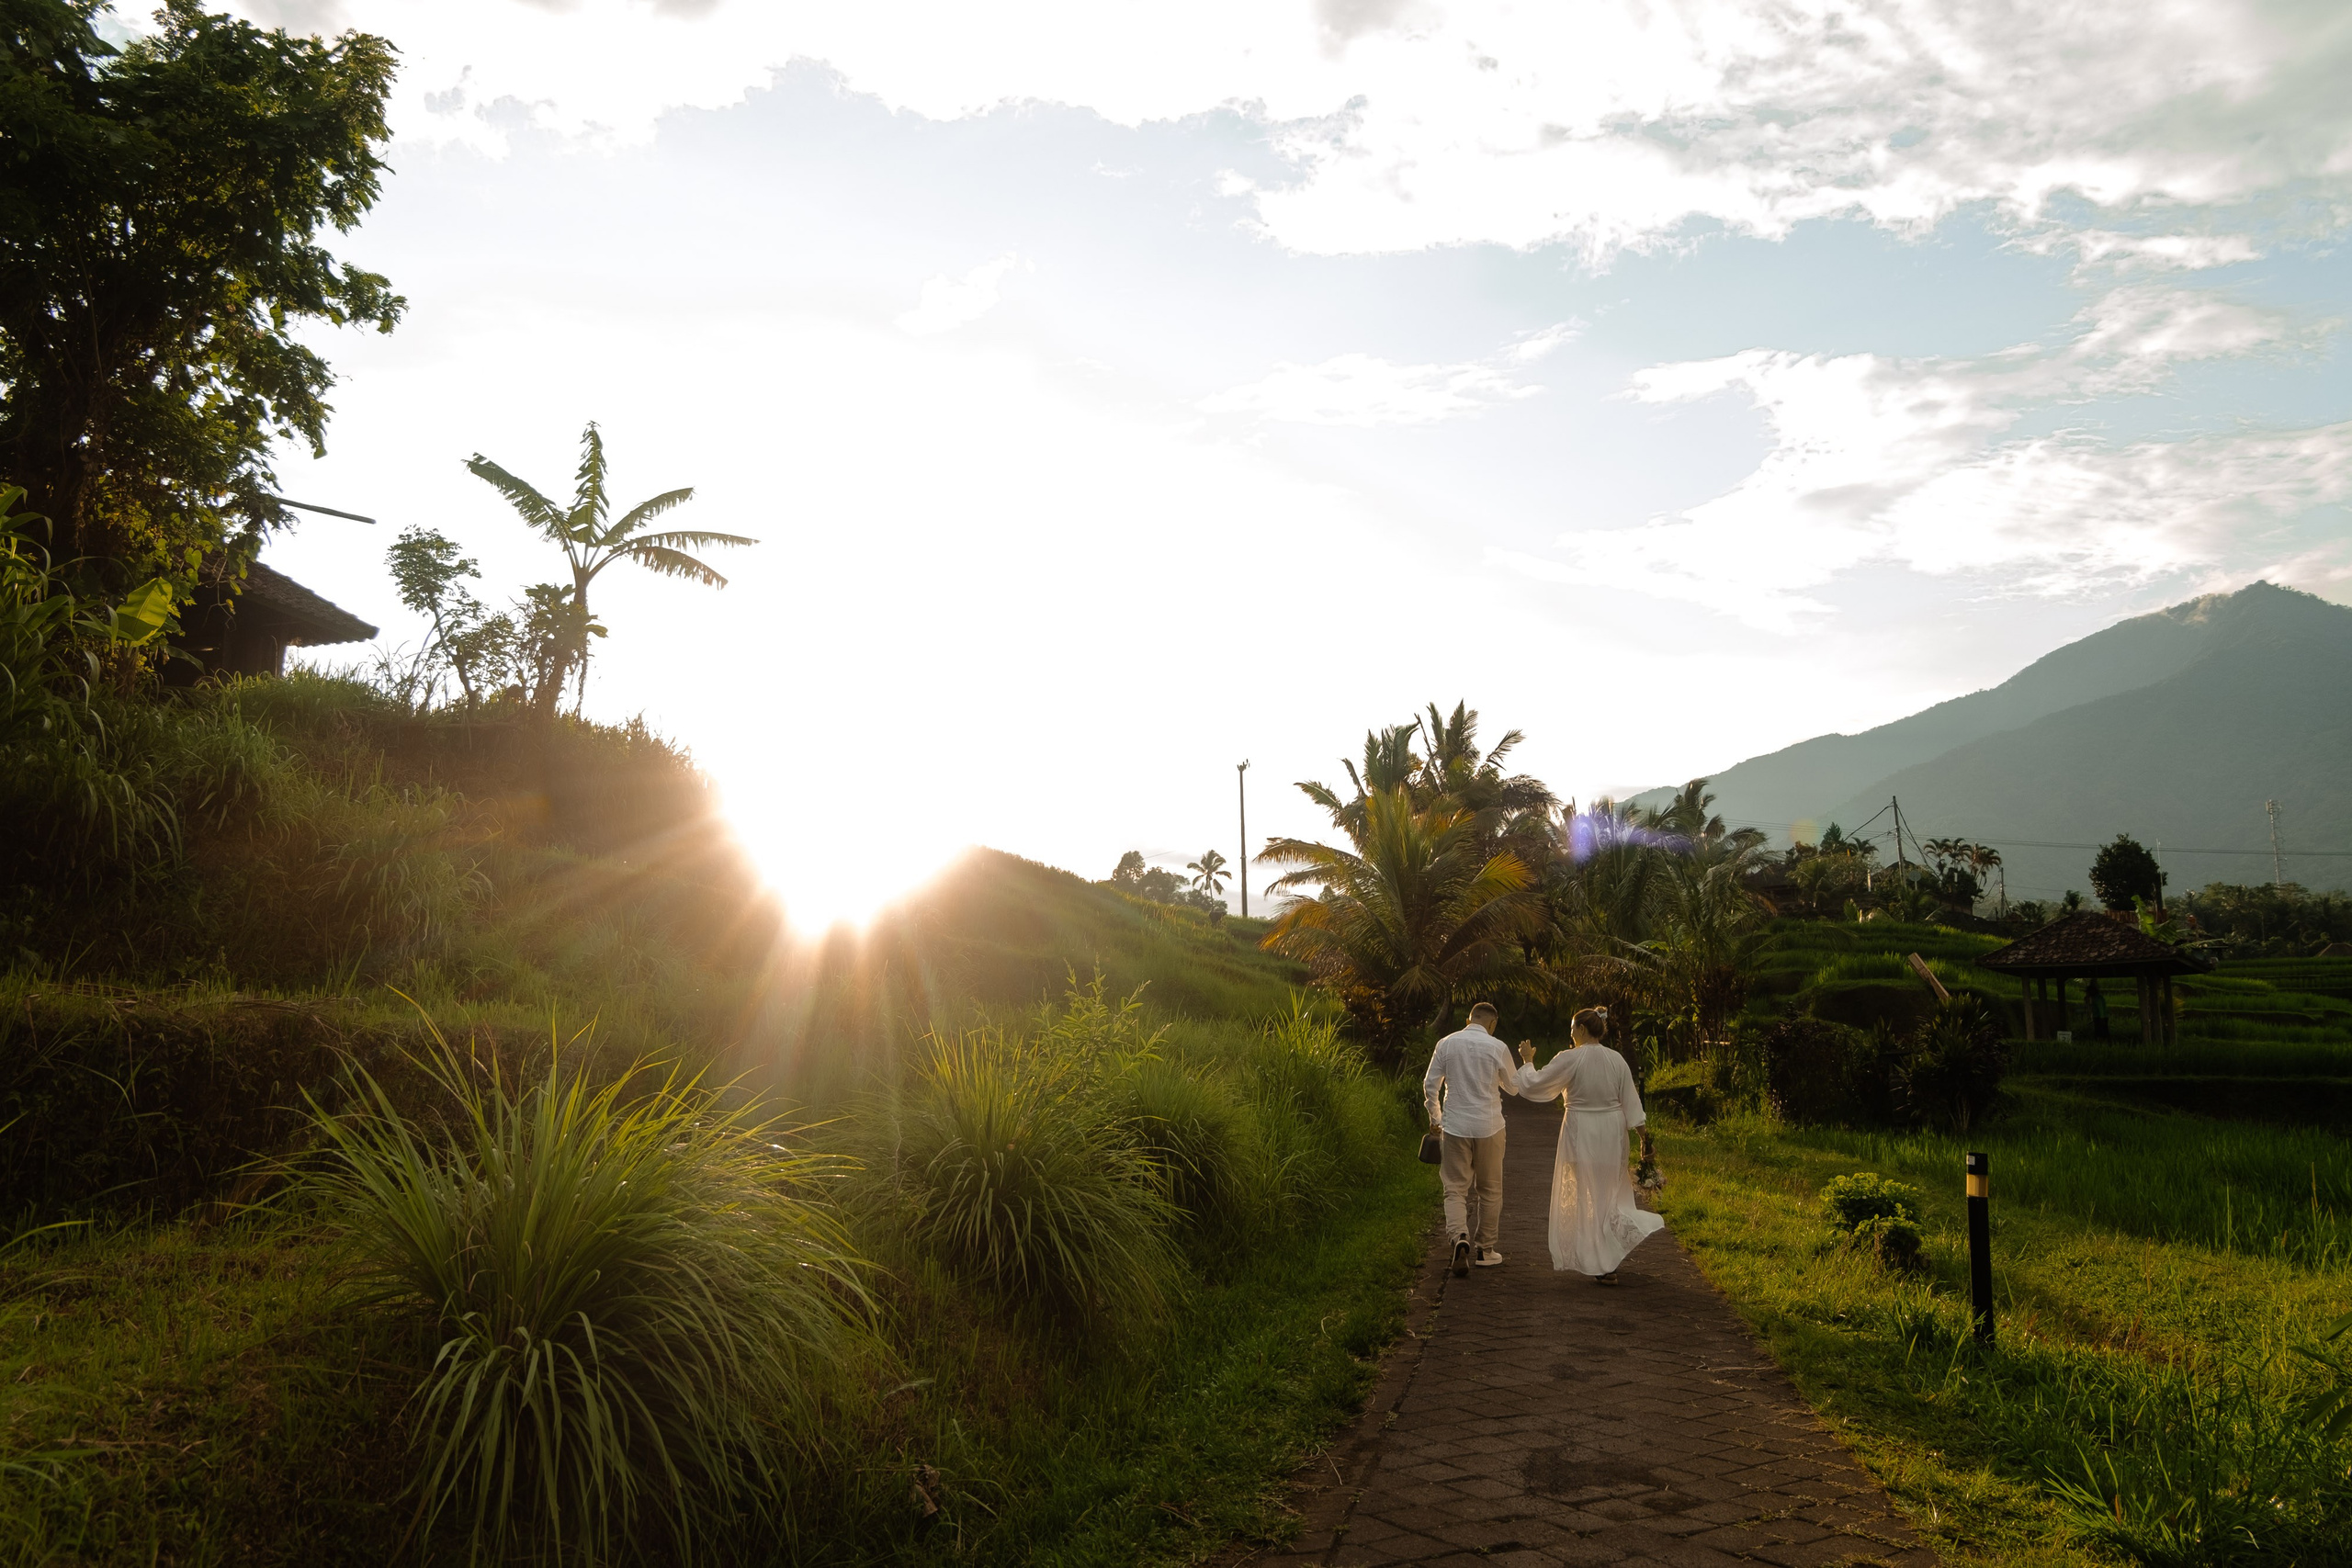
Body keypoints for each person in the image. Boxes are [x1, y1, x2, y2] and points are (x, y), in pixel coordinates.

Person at [1513, 1007, 1662, 1285]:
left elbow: (1536, 1084)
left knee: (1587, 1192)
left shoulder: (1571, 1058)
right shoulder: (1616, 1059)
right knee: (1608, 1192)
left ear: (1582, 1029)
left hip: (1582, 1129)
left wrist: (1527, 1060)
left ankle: (1602, 1260)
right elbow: (1632, 1103)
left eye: (1572, 1028)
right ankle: (1606, 1259)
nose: (1570, 1033)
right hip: (1612, 1130)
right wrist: (1645, 1139)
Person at [1423, 1000, 1518, 1278]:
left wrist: (1435, 1119)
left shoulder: (1446, 1043)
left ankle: (1458, 1237)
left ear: (1469, 1020)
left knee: (1454, 1188)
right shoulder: (1497, 1046)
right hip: (1490, 1126)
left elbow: (1431, 1084)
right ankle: (1485, 1251)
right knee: (1489, 1190)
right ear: (1492, 1023)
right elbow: (1512, 1088)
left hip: (1454, 1126)